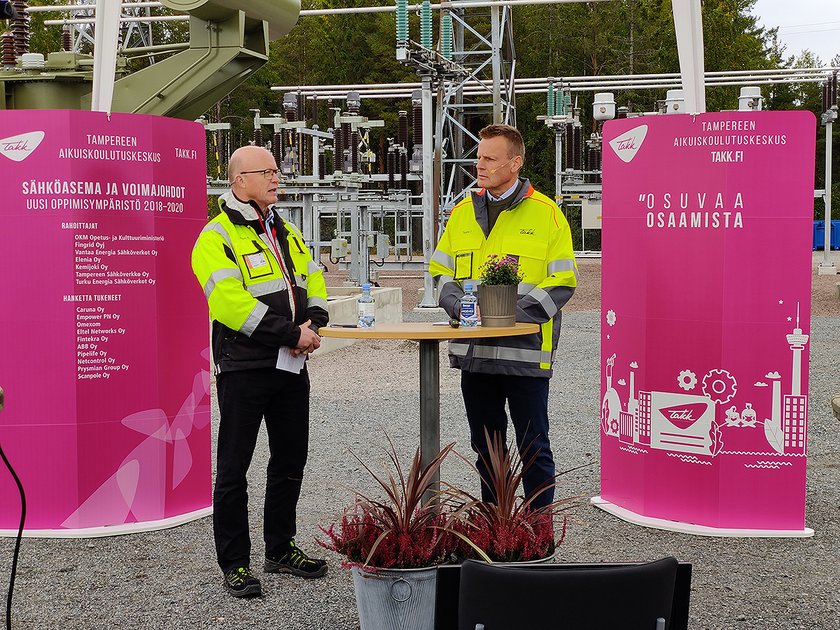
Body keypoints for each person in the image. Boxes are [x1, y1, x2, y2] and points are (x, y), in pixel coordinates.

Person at [191, 145, 329, 598]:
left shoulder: (285, 229)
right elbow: (230, 305)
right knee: (234, 468)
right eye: (266, 171)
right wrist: (290, 333)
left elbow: (313, 276)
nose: (275, 178)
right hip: (245, 367)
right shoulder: (215, 237)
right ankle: (235, 563)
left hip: (291, 365)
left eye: (276, 170)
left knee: (290, 460)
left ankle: (280, 548)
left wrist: (315, 322)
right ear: (239, 181)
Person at [429, 124, 577, 512]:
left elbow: (563, 281)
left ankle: (538, 534)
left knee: (534, 448)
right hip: (475, 354)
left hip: (524, 354)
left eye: (490, 158)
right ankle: (496, 529)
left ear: (515, 163)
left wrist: (505, 317)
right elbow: (441, 272)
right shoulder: (462, 213)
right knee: (486, 449)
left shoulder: (547, 214)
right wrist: (458, 307)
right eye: (479, 157)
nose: (479, 165)